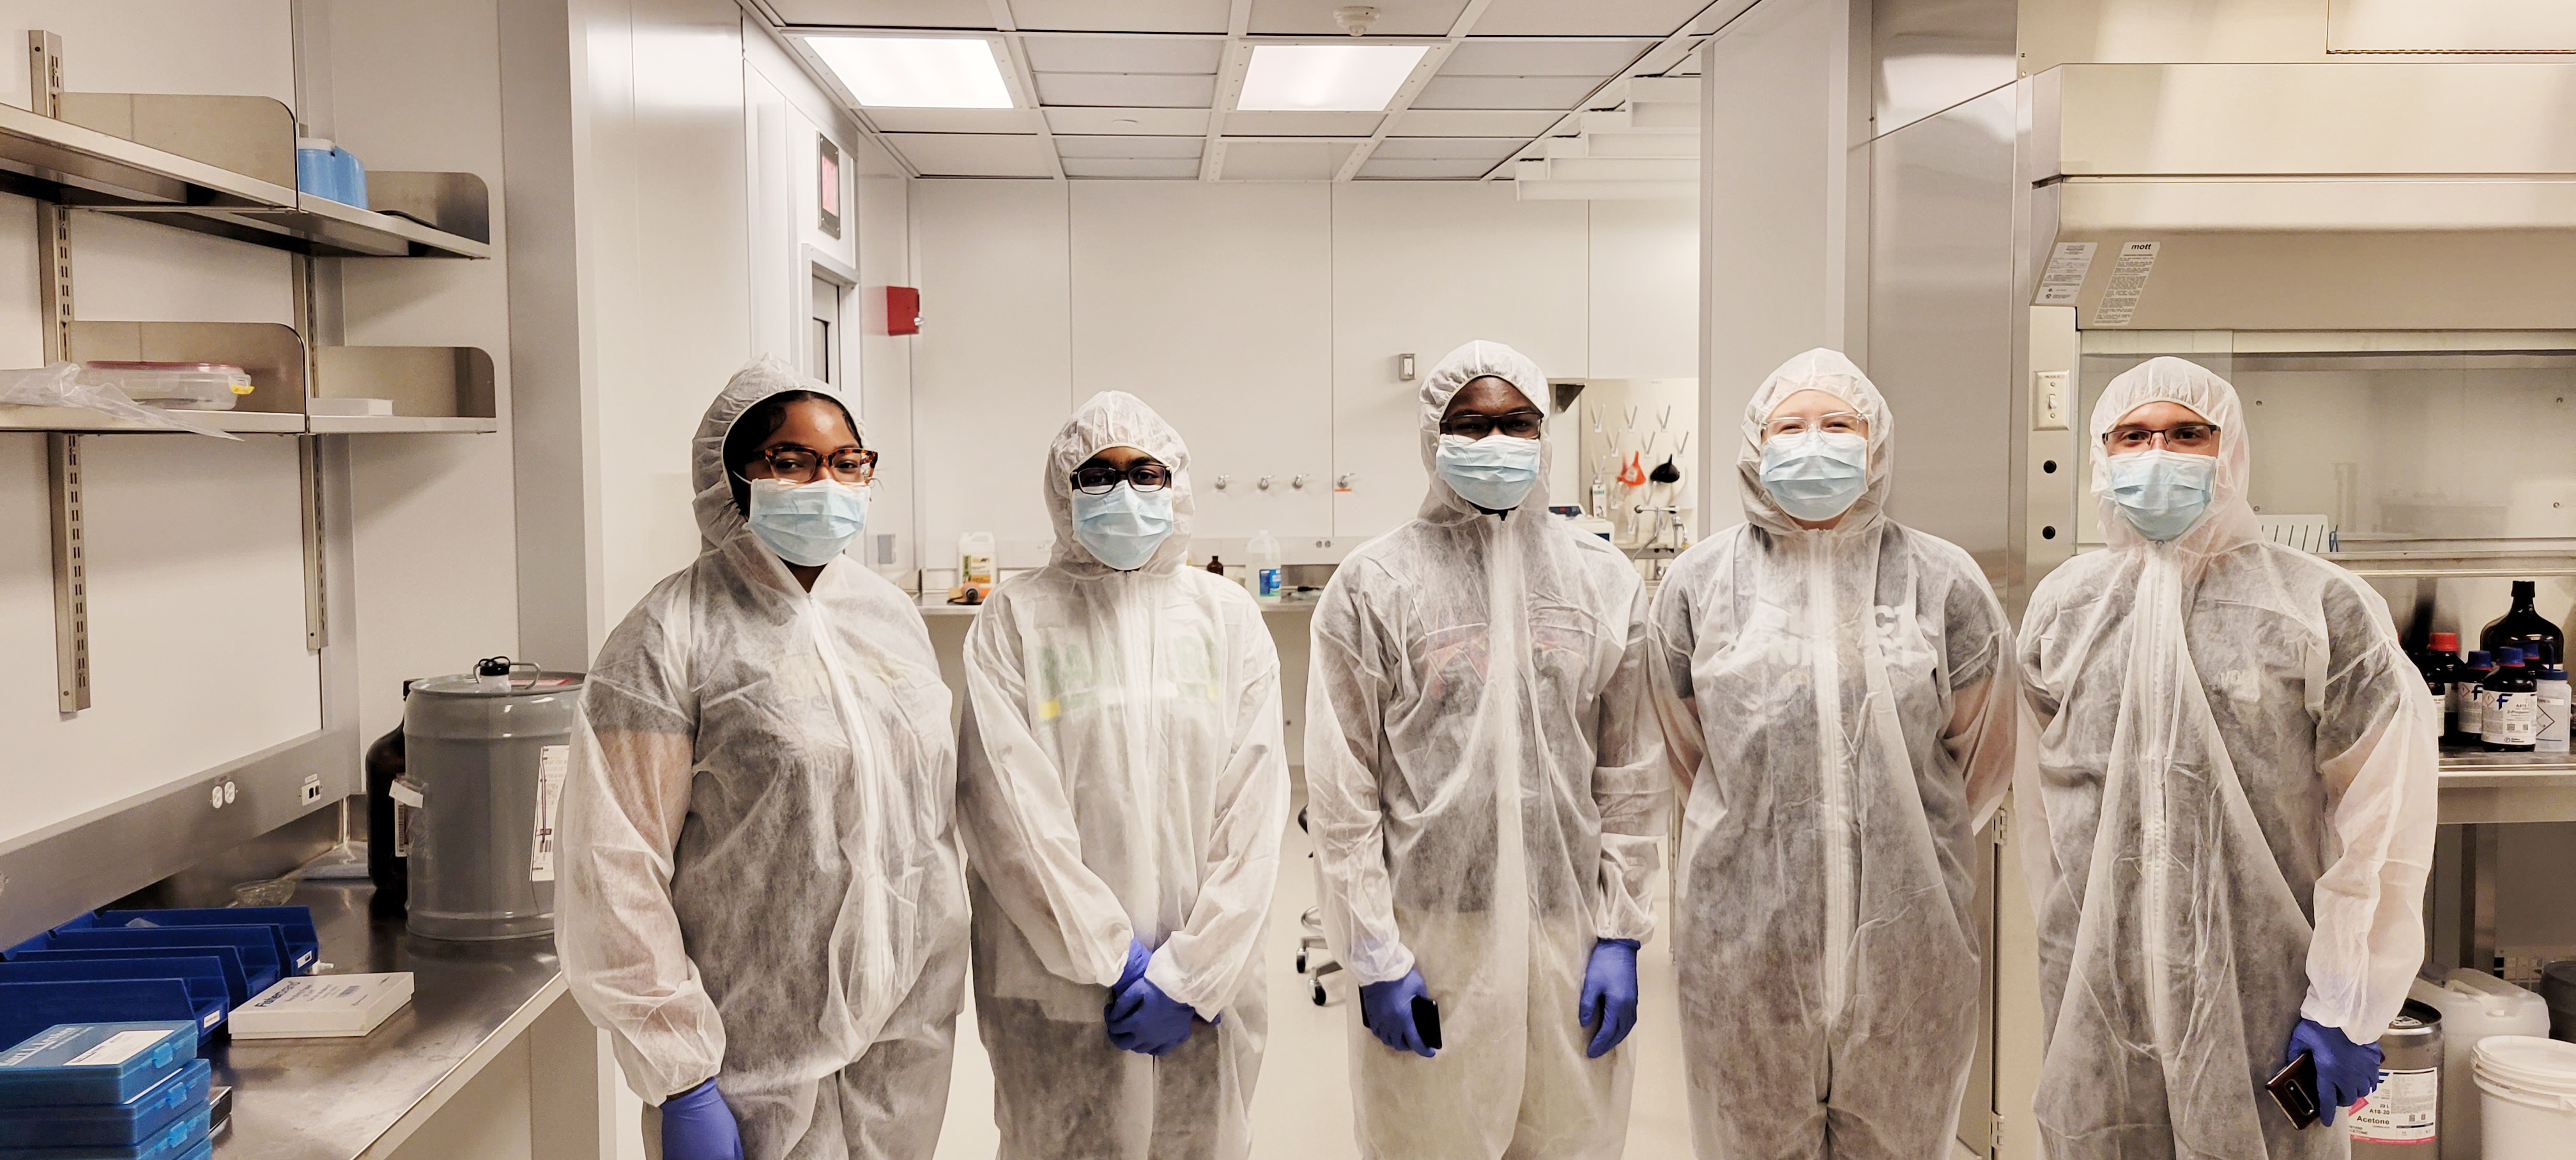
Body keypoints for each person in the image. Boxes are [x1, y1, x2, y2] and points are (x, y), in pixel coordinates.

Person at [2016, 356, 2437, 1157]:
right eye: (2133, 437)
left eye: (2187, 435)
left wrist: (2346, 999)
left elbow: (2379, 819)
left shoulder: (2317, 606)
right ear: (2102, 457)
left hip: (2268, 998)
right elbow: (2043, 813)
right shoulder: (2063, 608)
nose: (2159, 455)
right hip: (2102, 996)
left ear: (2231, 451)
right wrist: (2073, 954)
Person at [558, 357, 969, 1160]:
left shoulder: (888, 617)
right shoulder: (668, 636)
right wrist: (680, 1072)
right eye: (792, 461)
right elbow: (614, 866)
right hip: (748, 1063)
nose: (827, 481)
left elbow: (926, 826)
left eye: (848, 461)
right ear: (733, 478)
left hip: (906, 1046)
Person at [1648, 349, 2015, 1159]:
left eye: (1838, 425)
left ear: (1875, 442)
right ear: (1757, 445)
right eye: (1792, 426)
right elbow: (1688, 760)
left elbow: (1979, 768)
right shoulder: (1699, 587)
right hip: (1743, 956)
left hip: (1910, 952)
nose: (1814, 444)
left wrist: (1907, 854)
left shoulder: (1943, 583)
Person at [1305, 340, 1665, 1159]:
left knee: (1568, 1139)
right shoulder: (1375, 585)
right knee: (1430, 1139)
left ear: (1545, 434)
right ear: (1433, 439)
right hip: (1431, 933)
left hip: (1568, 930)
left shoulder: (1603, 581)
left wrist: (1621, 931)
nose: (1495, 442)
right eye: (1469, 424)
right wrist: (1373, 953)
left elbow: (1632, 774)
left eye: (1517, 423)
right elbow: (1343, 789)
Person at [956, 392, 1289, 1159]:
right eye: (1097, 477)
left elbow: (1256, 808)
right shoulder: (1015, 620)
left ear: (1177, 487)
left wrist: (1192, 972)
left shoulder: (1227, 618)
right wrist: (1112, 956)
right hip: (1061, 988)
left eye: (1146, 473)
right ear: (1062, 493)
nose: (1125, 494)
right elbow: (1006, 813)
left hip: (1206, 990)